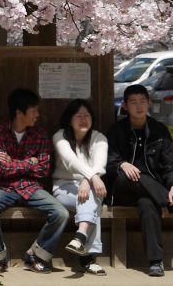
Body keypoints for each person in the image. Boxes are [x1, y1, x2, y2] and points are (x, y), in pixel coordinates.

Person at [106, 84, 173, 278]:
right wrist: (121, 165)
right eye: (133, 102)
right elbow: (107, 164)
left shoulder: (160, 131)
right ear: (125, 106)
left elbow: (169, 166)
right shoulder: (117, 131)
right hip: (122, 190)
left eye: (143, 101)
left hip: (151, 192)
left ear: (150, 103)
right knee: (129, 174)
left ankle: (155, 262)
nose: (139, 106)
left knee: (147, 204)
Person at [0, 87, 69, 274]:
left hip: (30, 186)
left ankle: (36, 255)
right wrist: (30, 162)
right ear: (19, 113)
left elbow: (43, 169)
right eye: (34, 110)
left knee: (61, 213)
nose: (37, 114)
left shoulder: (39, 134)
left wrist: (14, 163)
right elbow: (1, 169)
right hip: (2, 187)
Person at [51, 99, 108, 276]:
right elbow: (70, 161)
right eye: (79, 115)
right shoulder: (60, 136)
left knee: (92, 196)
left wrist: (88, 180)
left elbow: (100, 164)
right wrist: (91, 177)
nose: (83, 119)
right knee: (94, 199)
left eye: (87, 115)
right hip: (63, 188)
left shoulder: (99, 138)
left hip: (91, 187)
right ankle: (88, 258)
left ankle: (80, 238)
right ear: (69, 119)